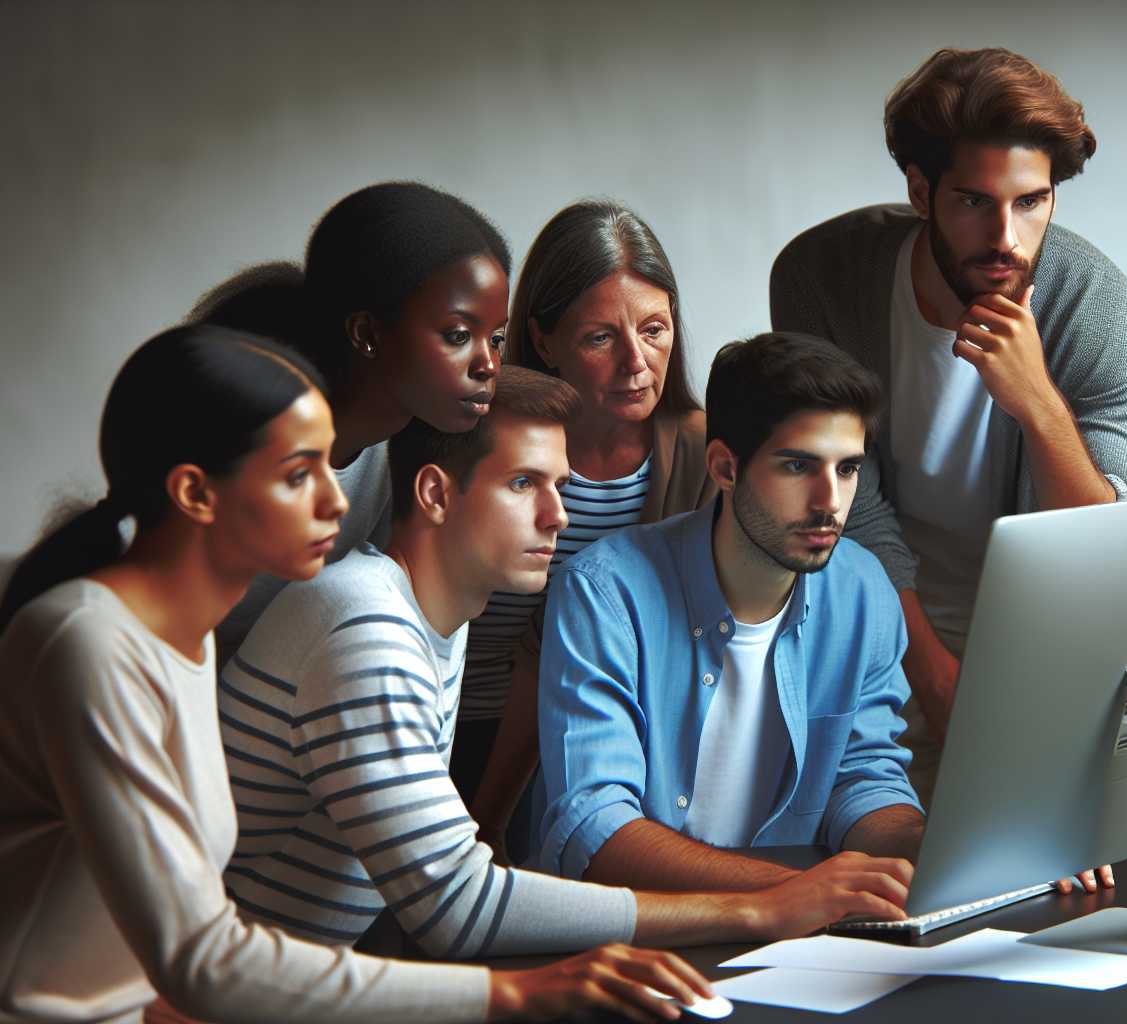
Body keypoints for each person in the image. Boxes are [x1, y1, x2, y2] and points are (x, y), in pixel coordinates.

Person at [0, 327, 710, 1024]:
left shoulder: (186, 637)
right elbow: (203, 958)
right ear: (195, 493)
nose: (338, 502)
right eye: (298, 474)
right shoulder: (90, 639)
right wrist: (515, 995)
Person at [223, 365, 882, 959]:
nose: (558, 515)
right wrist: (759, 907)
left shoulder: (419, 622)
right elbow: (459, 908)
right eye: (522, 484)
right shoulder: (365, 625)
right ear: (433, 493)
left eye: (560, 485)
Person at [770, 47, 1127, 808]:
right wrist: (935, 675)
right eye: (975, 202)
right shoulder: (823, 278)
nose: (1007, 237)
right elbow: (849, 500)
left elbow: (1115, 549)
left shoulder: (1099, 309)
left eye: (1032, 202)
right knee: (885, 871)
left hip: (1049, 633)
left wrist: (1039, 404)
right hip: (874, 615)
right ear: (921, 191)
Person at [534, 332, 924, 902]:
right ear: (724, 467)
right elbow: (596, 830)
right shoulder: (603, 594)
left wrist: (955, 854)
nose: (830, 501)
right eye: (798, 466)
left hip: (807, 938)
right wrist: (795, 892)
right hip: (646, 939)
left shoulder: (864, 590)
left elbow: (863, 779)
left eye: (847, 470)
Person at [454, 201, 717, 861]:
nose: (637, 362)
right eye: (601, 337)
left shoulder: (704, 450)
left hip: (591, 737)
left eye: (654, 329)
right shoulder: (483, 436)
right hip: (449, 725)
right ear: (542, 341)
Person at [202, 181, 513, 670]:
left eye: (496, 338)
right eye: (458, 335)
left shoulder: (409, 461)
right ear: (367, 333)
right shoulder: (245, 453)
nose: (488, 365)